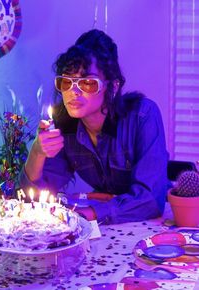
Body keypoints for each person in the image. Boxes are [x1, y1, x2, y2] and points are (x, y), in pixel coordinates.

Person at [19, 29, 168, 224]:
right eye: (67, 82)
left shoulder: (143, 115)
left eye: (88, 83)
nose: (74, 92)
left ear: (112, 86)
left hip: (148, 227)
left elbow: (150, 201)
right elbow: (31, 199)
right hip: (104, 229)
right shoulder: (65, 128)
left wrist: (92, 213)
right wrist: (37, 152)